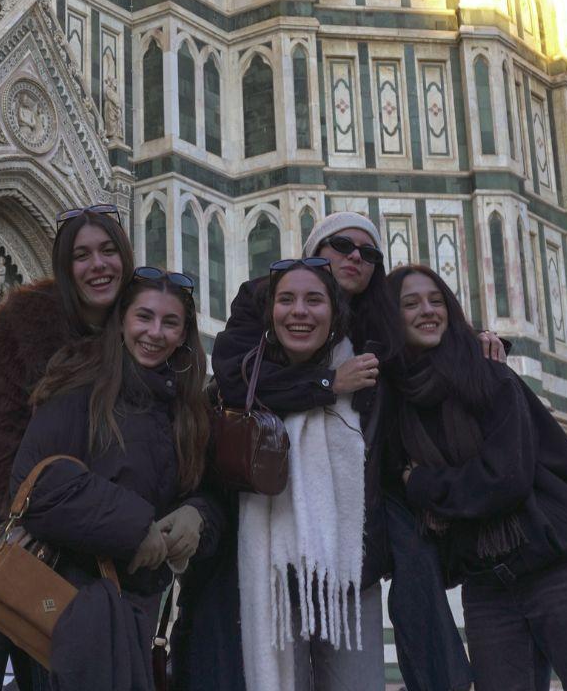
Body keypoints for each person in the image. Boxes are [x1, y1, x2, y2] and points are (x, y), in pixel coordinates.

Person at [177, 212, 499, 691]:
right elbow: (239, 378)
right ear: (312, 250)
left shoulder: (376, 327)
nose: (355, 258)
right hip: (267, 533)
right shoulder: (263, 301)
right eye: (342, 245)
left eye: (369, 254)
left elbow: (422, 356)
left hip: (351, 541)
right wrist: (326, 383)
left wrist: (474, 344)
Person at [384, 264, 567, 691]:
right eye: (410, 303)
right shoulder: (396, 409)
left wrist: (423, 485)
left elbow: (505, 479)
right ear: (391, 318)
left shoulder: (491, 376)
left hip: (558, 568)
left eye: (436, 300)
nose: (427, 310)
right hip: (487, 587)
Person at [0, 204, 133, 691]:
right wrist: (64, 515)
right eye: (81, 255)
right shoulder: (28, 316)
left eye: (107, 251)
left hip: (67, 531)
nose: (97, 265)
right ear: (64, 265)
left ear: (125, 256)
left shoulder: (138, 332)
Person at [11, 269, 222, 690]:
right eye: (144, 317)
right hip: (68, 601)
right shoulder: (82, 383)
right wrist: (133, 527)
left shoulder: (188, 409)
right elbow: (37, 484)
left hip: (138, 608)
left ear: (184, 335)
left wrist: (197, 518)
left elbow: (203, 493)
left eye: (170, 323)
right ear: (122, 319)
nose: (155, 333)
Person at [236, 257, 386, 691]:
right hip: (271, 575)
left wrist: (483, 345)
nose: (299, 311)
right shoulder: (246, 380)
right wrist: (327, 383)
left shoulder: (368, 379)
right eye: (286, 300)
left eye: (314, 300)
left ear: (335, 314)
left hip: (351, 575)